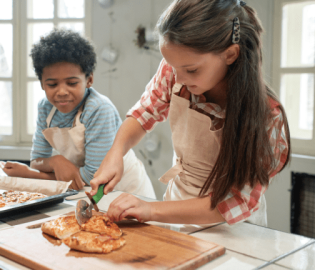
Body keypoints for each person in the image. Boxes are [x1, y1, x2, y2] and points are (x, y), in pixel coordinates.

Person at [90, 0, 290, 227]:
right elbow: (145, 112)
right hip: (174, 209)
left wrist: (151, 208)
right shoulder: (177, 70)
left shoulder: (267, 119)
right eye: (173, 66)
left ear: (231, 54)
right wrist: (116, 153)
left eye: (192, 70)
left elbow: (234, 202)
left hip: (233, 228)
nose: (179, 78)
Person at [2, 29, 155, 198]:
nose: (61, 91)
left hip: (124, 190)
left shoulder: (98, 110)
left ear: (89, 79)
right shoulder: (45, 108)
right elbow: (37, 161)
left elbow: (92, 177)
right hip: (84, 193)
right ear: (42, 84)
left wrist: (32, 175)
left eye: (72, 83)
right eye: (52, 84)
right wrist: (56, 162)